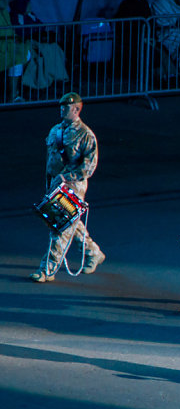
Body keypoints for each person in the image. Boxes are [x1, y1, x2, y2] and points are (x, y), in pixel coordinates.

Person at [30, 92, 105, 282]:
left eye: (66, 107)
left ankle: (47, 269)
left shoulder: (86, 135)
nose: (62, 110)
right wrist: (50, 183)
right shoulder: (55, 130)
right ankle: (93, 252)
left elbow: (89, 166)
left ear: (77, 109)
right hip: (54, 185)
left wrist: (66, 177)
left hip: (73, 187)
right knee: (71, 223)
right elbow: (50, 160)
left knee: (61, 228)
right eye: (61, 106)